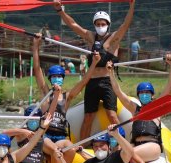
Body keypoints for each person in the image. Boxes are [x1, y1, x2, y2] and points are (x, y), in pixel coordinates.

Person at [53, 0, 136, 142]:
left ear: (108, 25)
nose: (100, 26)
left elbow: (126, 24)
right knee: (88, 117)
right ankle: (81, 146)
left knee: (112, 115)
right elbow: (73, 25)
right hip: (91, 82)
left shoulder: (114, 38)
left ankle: (119, 145)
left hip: (108, 82)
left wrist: (132, 5)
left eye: (103, 24)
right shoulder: (91, 38)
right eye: (97, 24)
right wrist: (60, 10)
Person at [33, 33, 101, 163]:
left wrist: (94, 63)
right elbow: (37, 69)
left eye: (59, 77)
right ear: (50, 79)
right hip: (45, 135)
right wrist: (36, 46)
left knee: (70, 148)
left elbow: (83, 83)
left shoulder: (67, 97)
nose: (57, 79)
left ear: (63, 79)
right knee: (55, 150)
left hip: (61, 136)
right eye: (54, 77)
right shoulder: (46, 93)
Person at [106, 54, 171, 162]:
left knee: (124, 155)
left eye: (147, 93)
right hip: (135, 145)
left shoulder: (157, 108)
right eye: (142, 93)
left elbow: (169, 87)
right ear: (138, 96)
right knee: (115, 155)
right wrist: (110, 73)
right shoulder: (135, 109)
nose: (144, 95)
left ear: (152, 95)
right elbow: (118, 92)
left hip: (152, 146)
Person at [77, 127, 145, 163]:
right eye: (110, 137)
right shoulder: (109, 152)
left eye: (113, 137)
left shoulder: (126, 152)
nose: (111, 139)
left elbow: (141, 162)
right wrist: (82, 153)